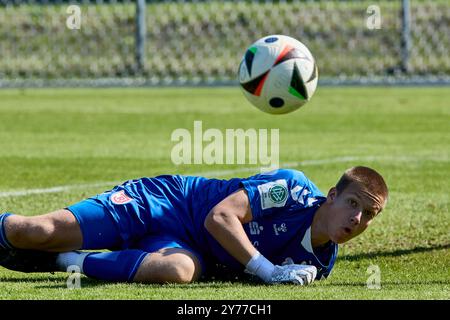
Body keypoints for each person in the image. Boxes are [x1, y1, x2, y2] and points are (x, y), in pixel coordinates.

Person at [0, 166, 388, 286]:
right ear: (333, 195)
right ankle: (42, 245)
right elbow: (219, 217)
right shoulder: (291, 190)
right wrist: (268, 271)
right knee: (33, 233)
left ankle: (60, 262)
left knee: (178, 271)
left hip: (190, 249)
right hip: (167, 202)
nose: (358, 220)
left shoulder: (319, 263)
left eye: (369, 215)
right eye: (354, 204)